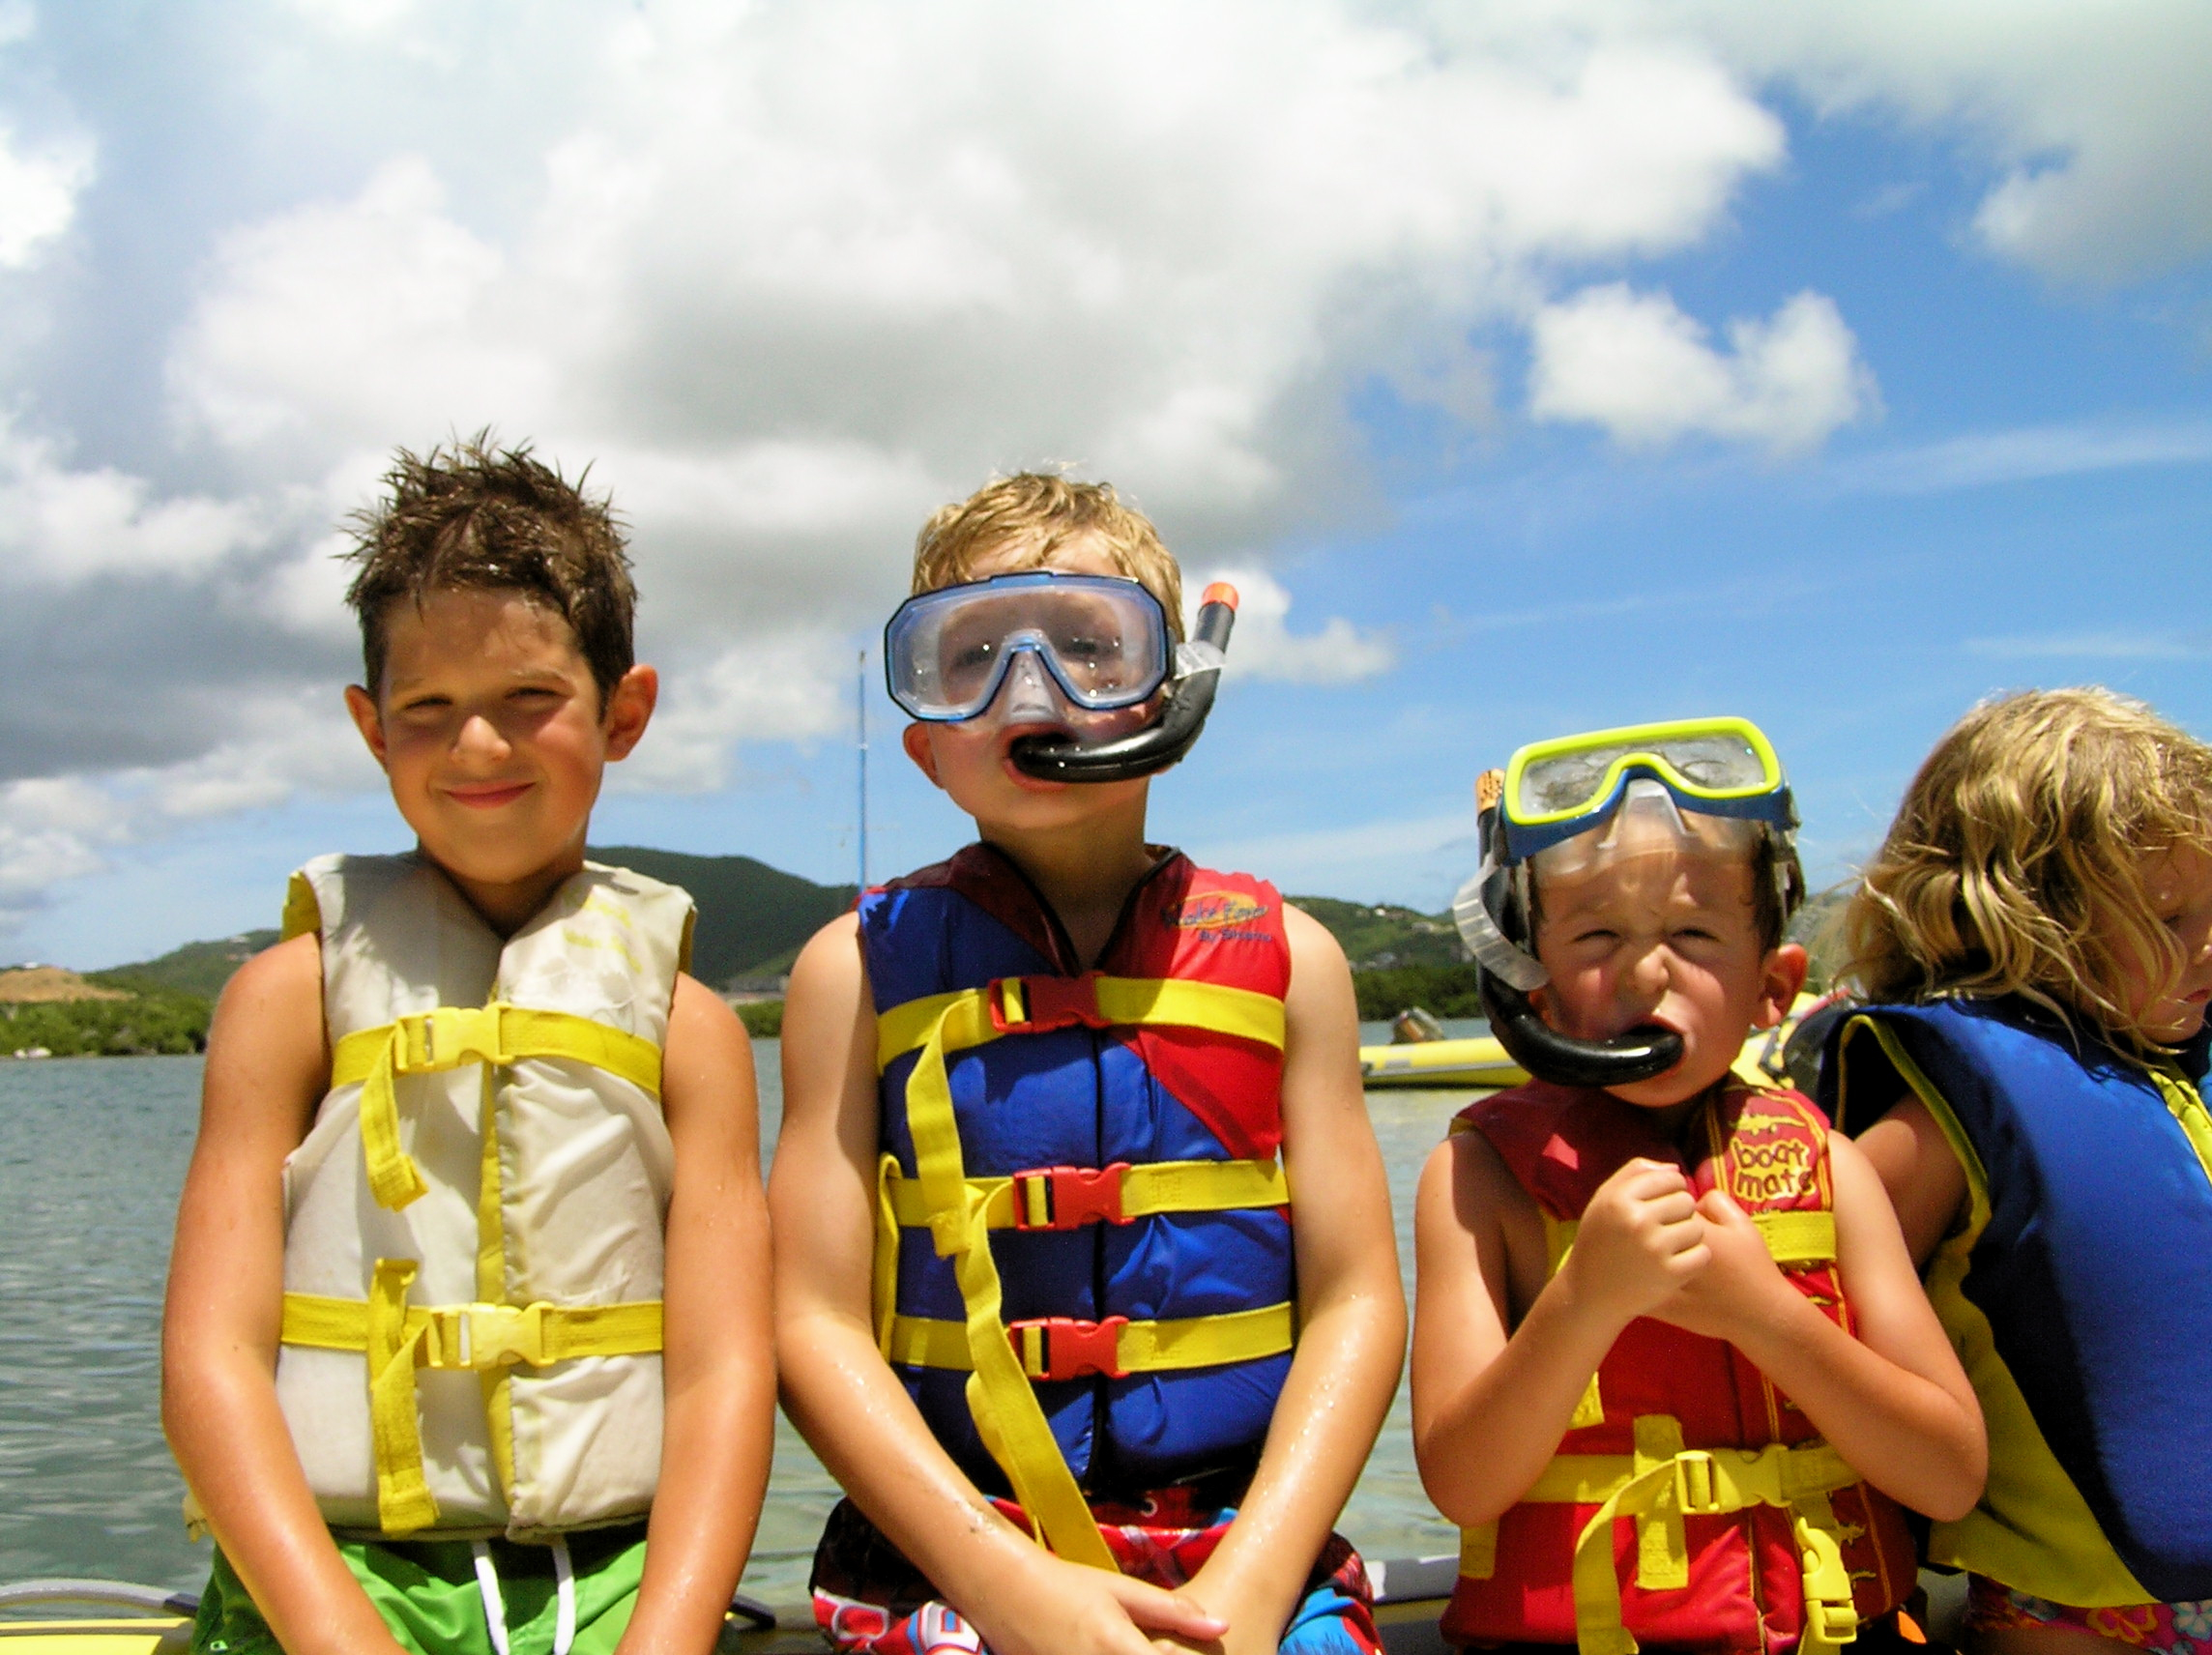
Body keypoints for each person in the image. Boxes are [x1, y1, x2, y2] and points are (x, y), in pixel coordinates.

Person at [770, 474, 1406, 1655]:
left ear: (1173, 697)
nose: (1030, 685)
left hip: (1239, 1544)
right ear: (924, 751)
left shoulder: (1294, 963)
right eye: (969, 655)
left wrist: (1255, 1585)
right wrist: (1005, 1586)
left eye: (1084, 644)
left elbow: (1359, 1296)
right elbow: (808, 1318)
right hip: (946, 1557)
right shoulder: (850, 973)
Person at [162, 439, 774, 1655]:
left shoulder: (687, 1026)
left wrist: (662, 1637)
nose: (478, 748)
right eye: (427, 710)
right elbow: (210, 1355)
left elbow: (721, 1374)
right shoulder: (287, 1000)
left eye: (529, 701)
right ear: (370, 727)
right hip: (329, 1582)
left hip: (616, 1585)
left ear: (625, 711)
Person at [1412, 718, 1985, 1655]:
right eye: (1596, 933)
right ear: (1533, 989)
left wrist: (1766, 1315)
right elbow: (1462, 1483)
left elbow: (1948, 1474)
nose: (1645, 970)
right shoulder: (1479, 1177)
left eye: (1691, 932)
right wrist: (1581, 1300)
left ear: (1774, 986)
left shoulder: (1828, 1166)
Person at [1823, 687, 2212, 1654]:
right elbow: (1818, 1308)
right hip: (2068, 1619)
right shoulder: (1939, 1117)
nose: (2205, 943)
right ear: (2021, 918)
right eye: (2167, 917)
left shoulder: (2185, 1073)